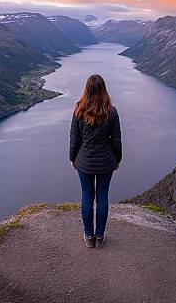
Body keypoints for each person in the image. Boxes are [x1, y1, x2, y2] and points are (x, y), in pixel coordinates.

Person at [69, 74, 122, 248]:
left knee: (86, 197)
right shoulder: (111, 111)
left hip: (84, 161)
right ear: (103, 89)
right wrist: (117, 159)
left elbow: (74, 139)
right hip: (106, 161)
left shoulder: (79, 110)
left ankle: (89, 237)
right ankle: (100, 237)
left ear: (87, 90)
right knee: (102, 198)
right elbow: (116, 140)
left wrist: (72, 158)